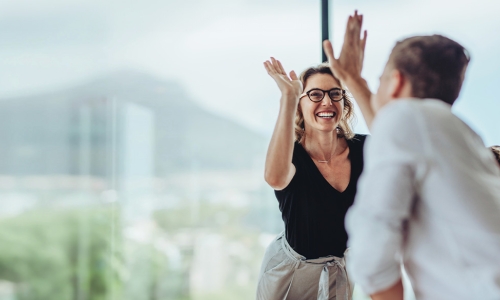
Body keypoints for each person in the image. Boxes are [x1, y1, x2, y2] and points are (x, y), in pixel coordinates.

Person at [322, 11, 500, 300]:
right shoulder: (458, 133)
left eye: (379, 80)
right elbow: (392, 129)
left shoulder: (407, 120)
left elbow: (372, 254)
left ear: (396, 82)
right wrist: (353, 79)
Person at [256, 27, 370, 298]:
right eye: (315, 94)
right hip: (290, 275)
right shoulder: (290, 153)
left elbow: (399, 146)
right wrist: (288, 97)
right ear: (300, 104)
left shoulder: (365, 148)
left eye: (335, 93)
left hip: (339, 273)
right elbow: (275, 178)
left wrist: (354, 78)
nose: (327, 102)